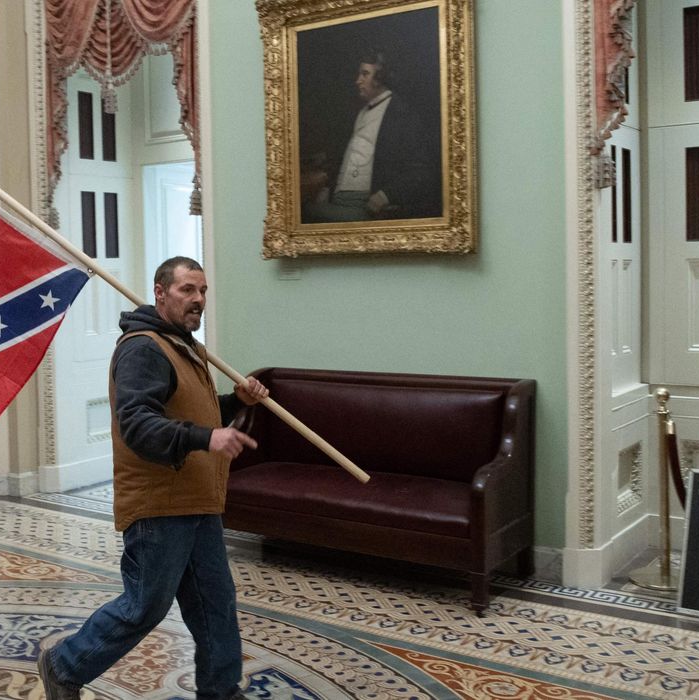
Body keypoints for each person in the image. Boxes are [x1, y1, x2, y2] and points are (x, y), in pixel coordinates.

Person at [38, 256, 269, 700]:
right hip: (160, 504)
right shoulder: (144, 348)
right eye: (187, 290)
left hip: (197, 501)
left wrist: (235, 401)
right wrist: (208, 438)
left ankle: (220, 690)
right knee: (143, 606)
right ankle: (64, 665)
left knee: (215, 605)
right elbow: (139, 426)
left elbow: (190, 413)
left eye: (202, 291)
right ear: (160, 293)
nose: (198, 299)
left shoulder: (183, 344)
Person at [302, 50, 441, 223]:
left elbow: (421, 171)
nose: (358, 80)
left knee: (308, 212)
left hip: (367, 206)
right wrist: (327, 189)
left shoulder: (402, 115)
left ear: (380, 77)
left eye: (365, 74)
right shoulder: (360, 112)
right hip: (338, 200)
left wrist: (385, 196)